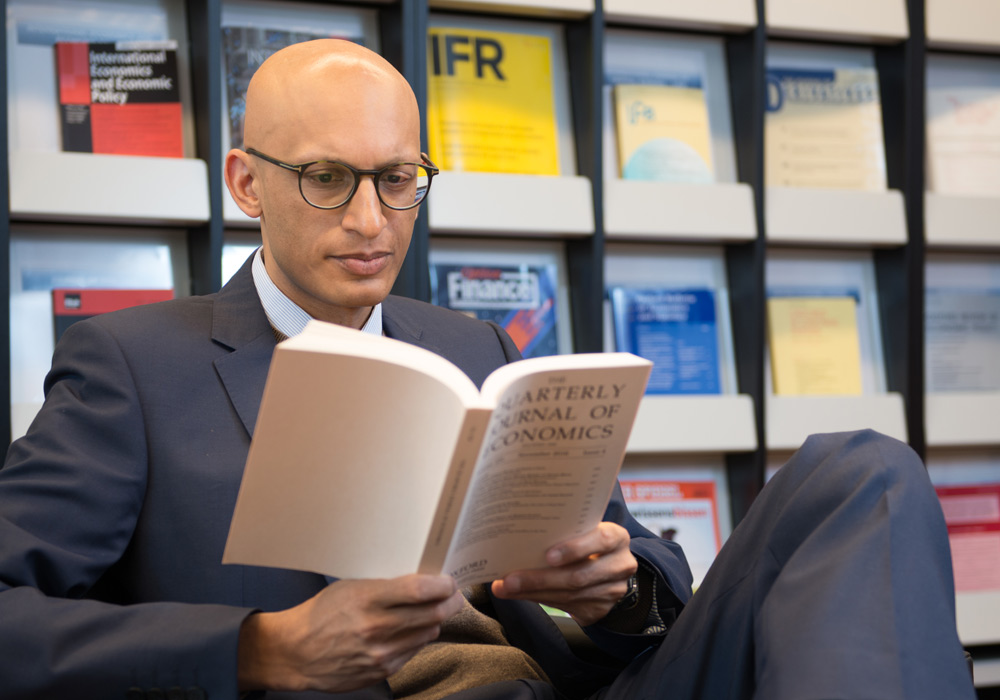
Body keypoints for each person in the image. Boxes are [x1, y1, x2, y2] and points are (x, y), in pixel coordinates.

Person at [0, 39, 975, 700]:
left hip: (560, 686)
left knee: (861, 470)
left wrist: (614, 586)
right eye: (327, 179)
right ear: (247, 183)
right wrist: (263, 647)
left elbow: (644, 579)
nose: (372, 221)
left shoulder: (472, 347)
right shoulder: (135, 366)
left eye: (398, 179)